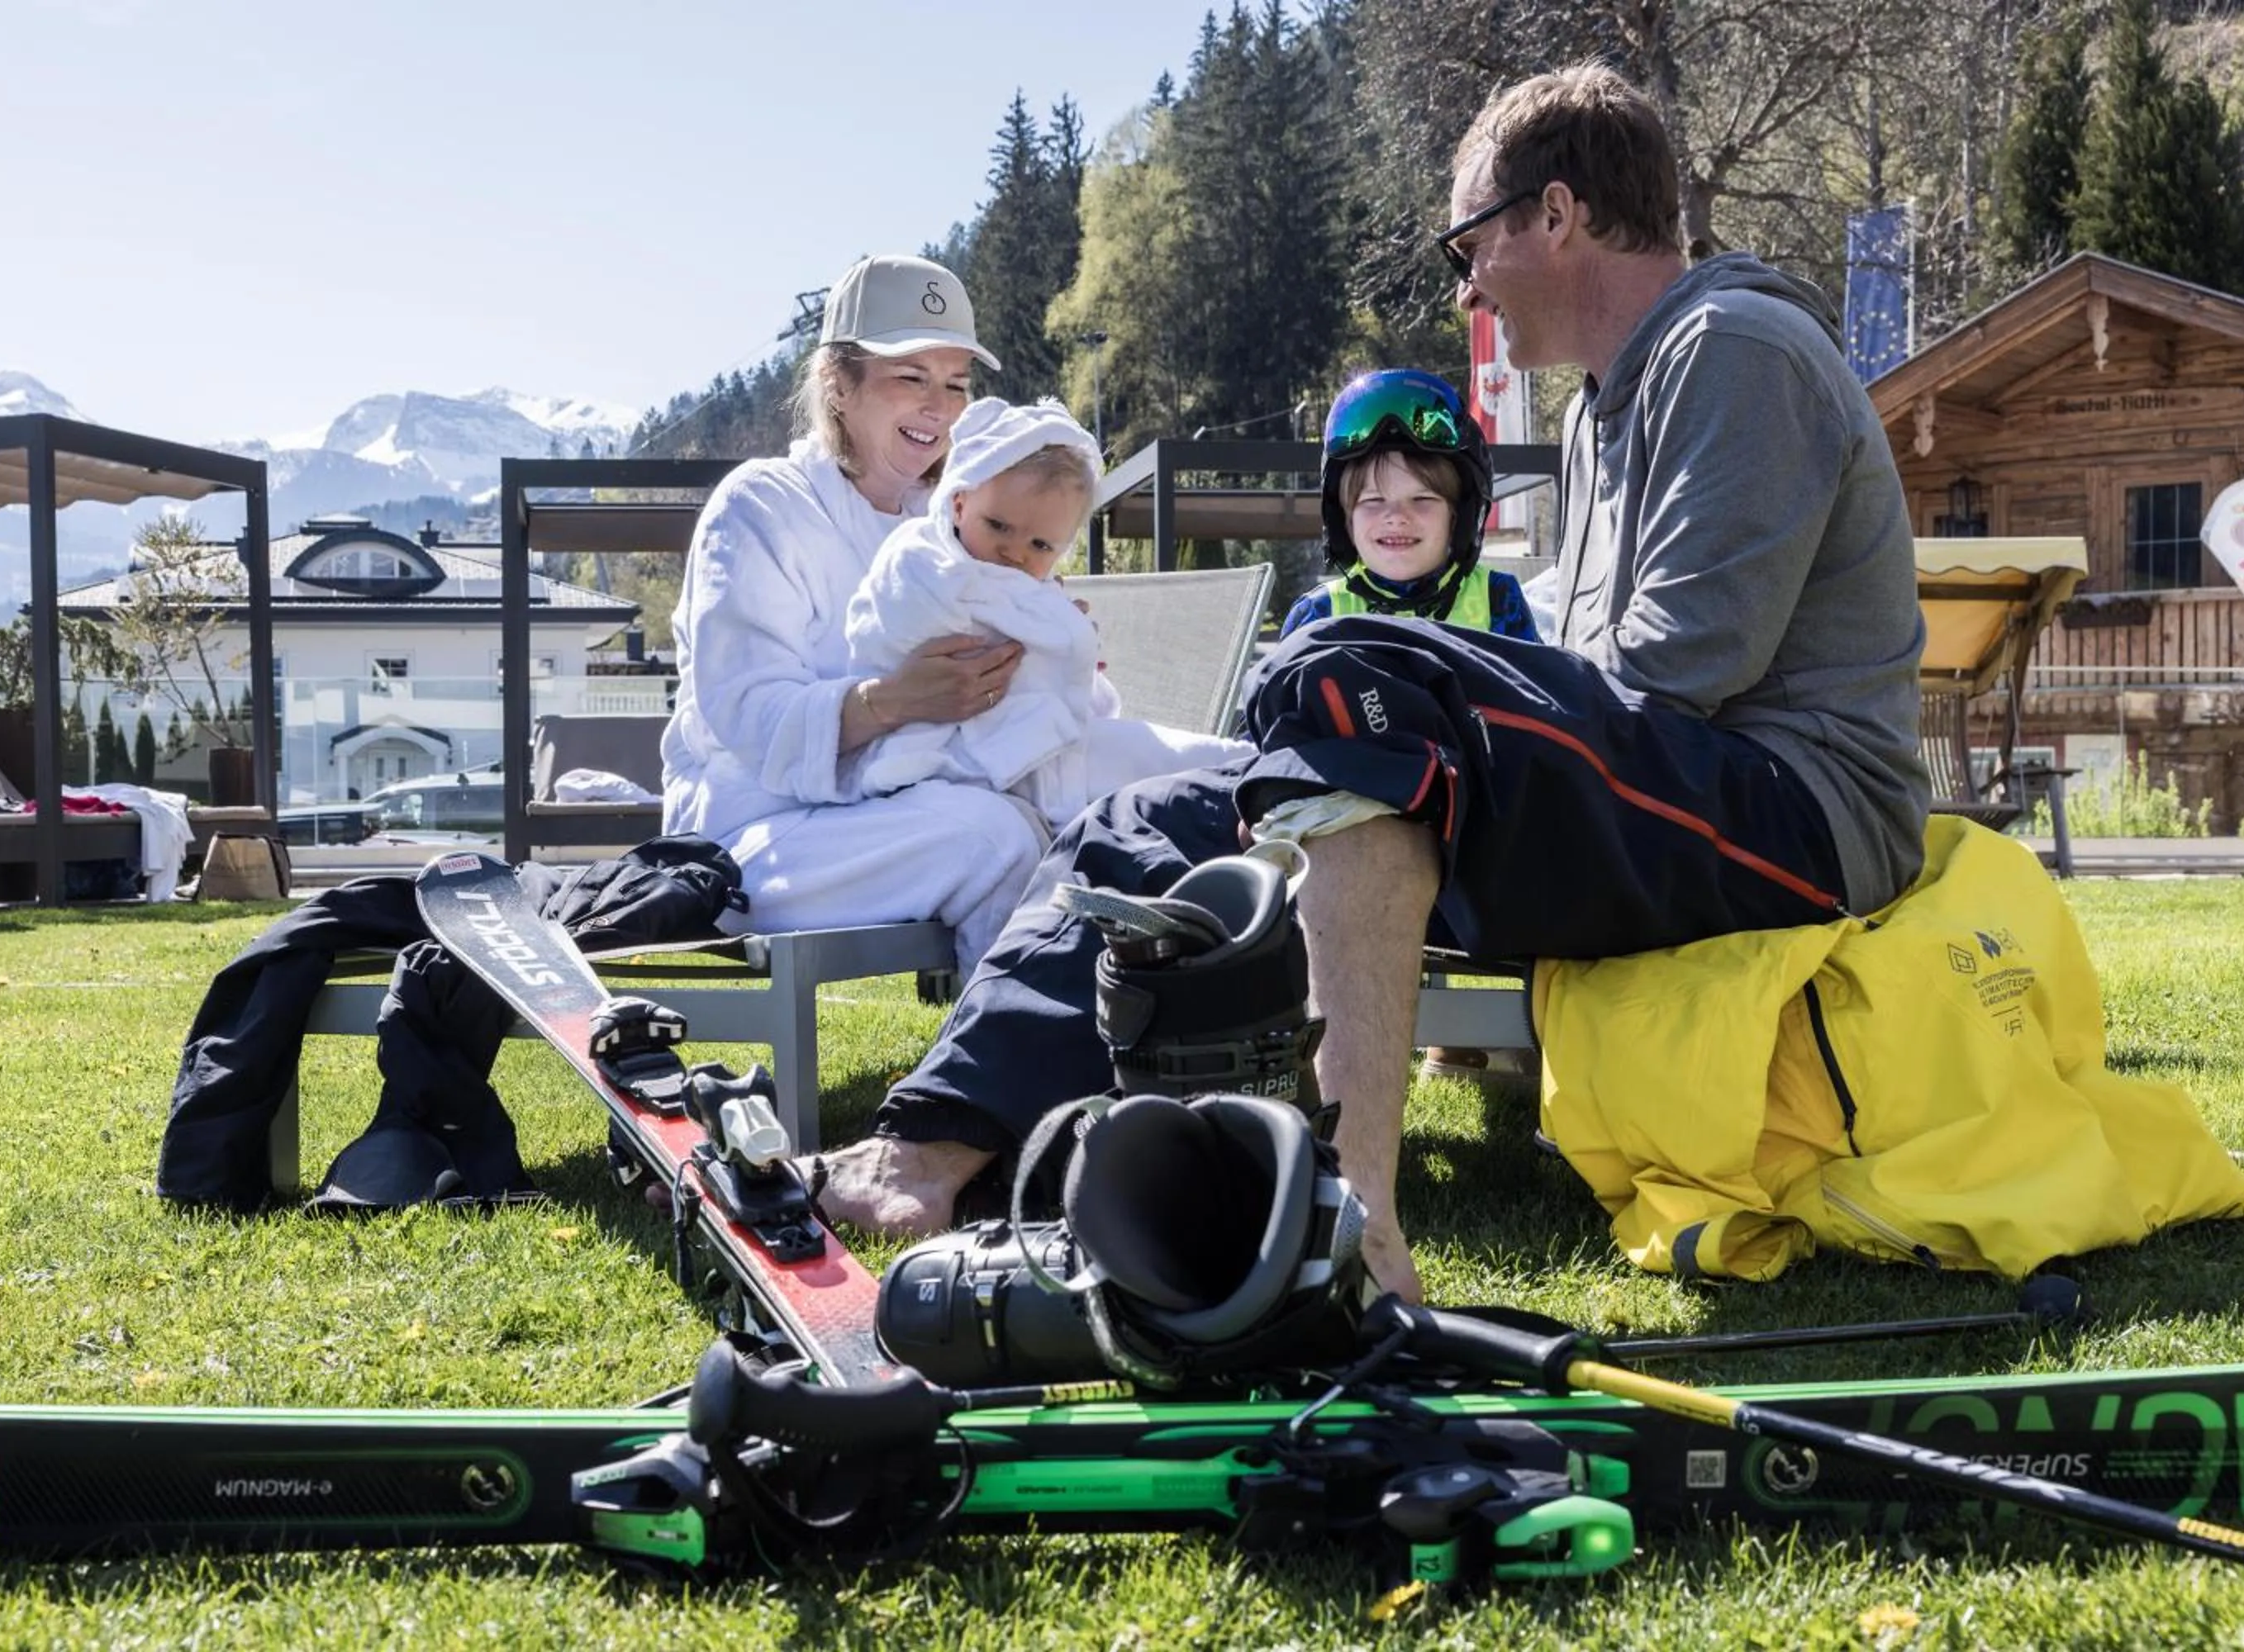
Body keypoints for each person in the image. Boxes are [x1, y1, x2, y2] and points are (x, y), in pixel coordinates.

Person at [815, 64, 1931, 1305]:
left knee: (1352, 682)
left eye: (1469, 244)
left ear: (1554, 216)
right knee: (1150, 815)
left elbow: (1681, 673)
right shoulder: (1598, 410)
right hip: (1663, 789)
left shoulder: (1737, 348)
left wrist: (1425, 688)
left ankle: (1355, 1227)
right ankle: (927, 1150)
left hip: (1794, 809)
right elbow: (1588, 677)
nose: (1464, 285)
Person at [659, 254, 1043, 978]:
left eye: (956, 384)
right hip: (746, 838)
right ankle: (999, 1076)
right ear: (839, 384)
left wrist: (1040, 661)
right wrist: (895, 702)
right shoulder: (761, 507)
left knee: (1072, 820)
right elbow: (747, 714)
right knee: (994, 842)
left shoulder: (946, 522)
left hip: (891, 818)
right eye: (911, 378)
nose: (940, 407)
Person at [844, 396, 1251, 834]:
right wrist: (1050, 631)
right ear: (959, 503)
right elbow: (895, 627)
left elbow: (1060, 679)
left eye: (1040, 546)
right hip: (961, 755)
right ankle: (1253, 781)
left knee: (1180, 758)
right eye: (998, 526)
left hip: (1033, 744)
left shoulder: (1029, 591)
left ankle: (1262, 774)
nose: (1013, 553)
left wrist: (1055, 631)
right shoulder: (924, 565)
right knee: (1160, 769)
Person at [1277, 369, 1536, 644]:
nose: (1396, 517)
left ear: (1459, 517)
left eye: (1422, 499)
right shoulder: (1319, 616)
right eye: (1373, 500)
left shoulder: (1497, 600)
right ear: (1344, 520)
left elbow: (1534, 685)